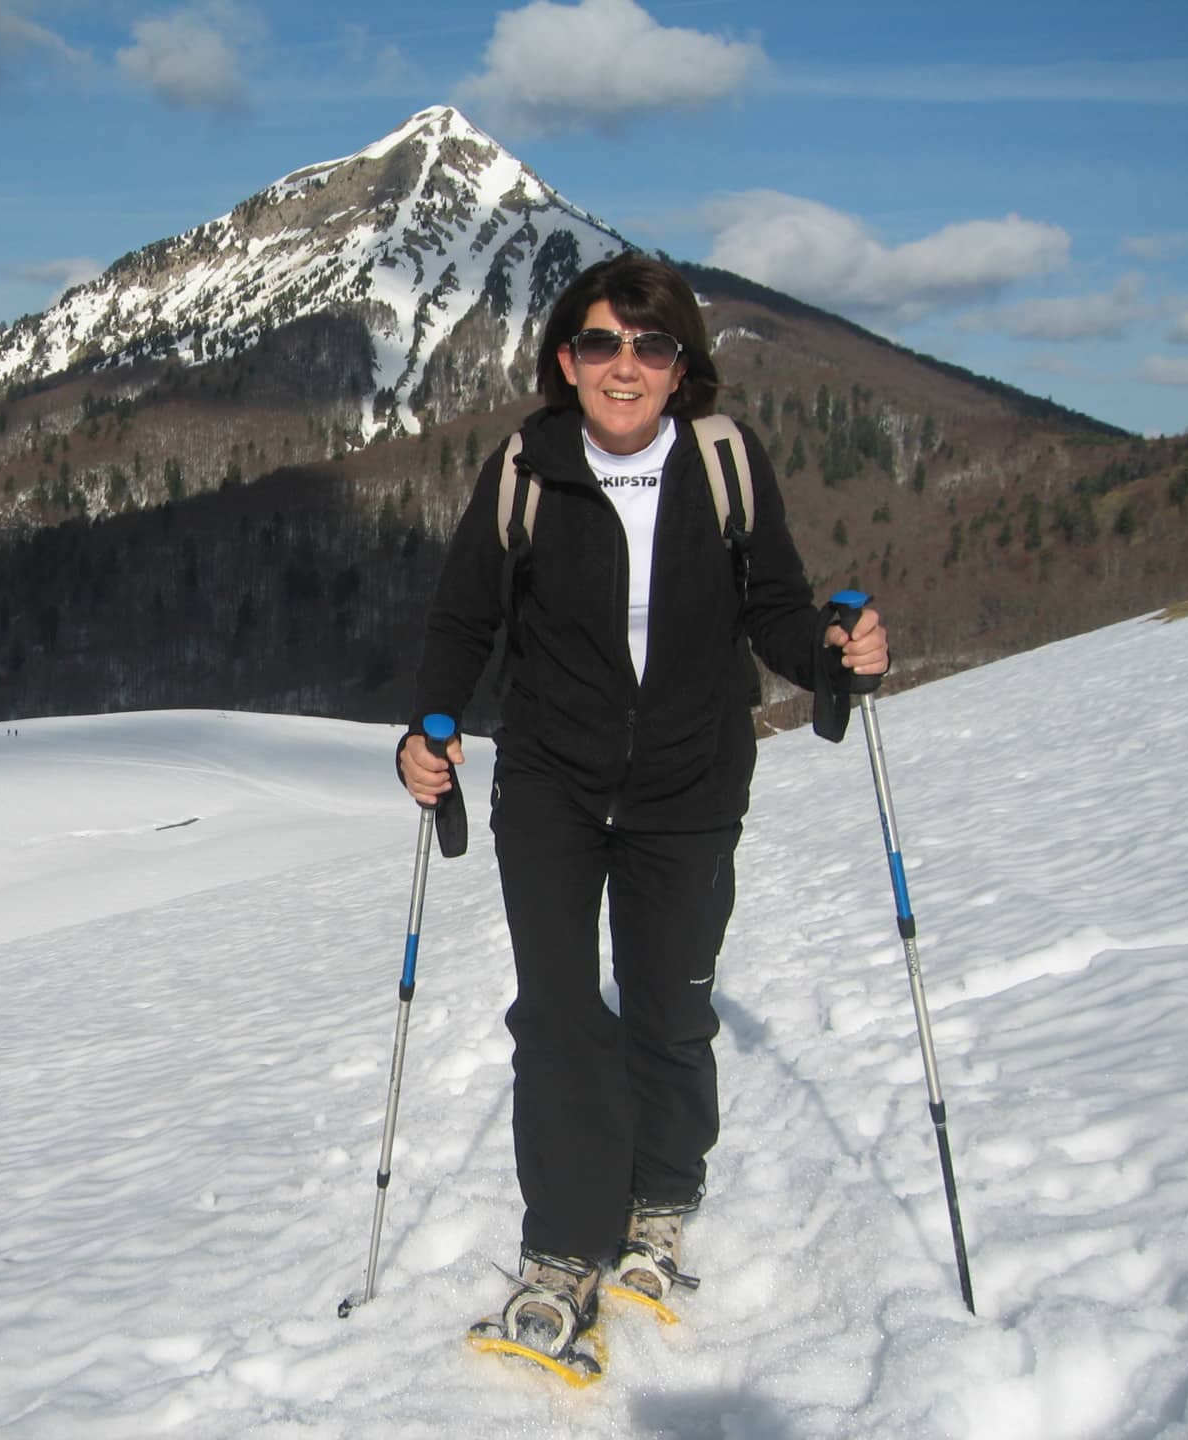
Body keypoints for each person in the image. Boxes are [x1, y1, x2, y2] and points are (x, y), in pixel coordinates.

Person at [399, 254, 887, 1369]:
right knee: (560, 1014)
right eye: (602, 344)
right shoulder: (528, 462)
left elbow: (775, 611)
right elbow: (463, 619)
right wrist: (427, 728)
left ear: (683, 367)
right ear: (565, 359)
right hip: (553, 787)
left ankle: (662, 1194)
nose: (626, 366)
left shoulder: (723, 462)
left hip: (687, 786)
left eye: (652, 346)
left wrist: (833, 651)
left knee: (668, 1005)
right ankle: (565, 1241)